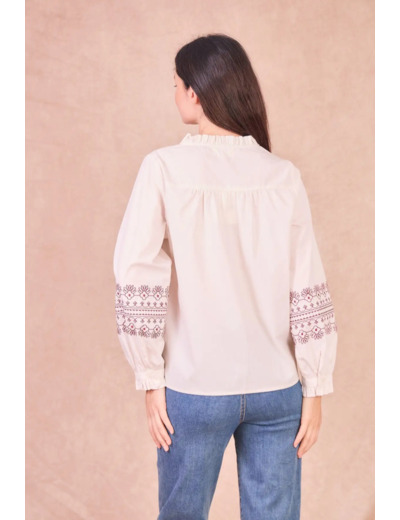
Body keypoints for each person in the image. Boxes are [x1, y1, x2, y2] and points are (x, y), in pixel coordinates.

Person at [113, 33, 338, 520]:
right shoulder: (282, 175)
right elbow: (307, 280)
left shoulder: (164, 168)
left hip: (195, 386)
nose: (174, 93)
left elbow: (135, 271)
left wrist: (150, 376)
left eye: (176, 84)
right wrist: (315, 385)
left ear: (195, 92)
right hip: (277, 387)